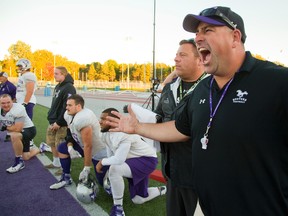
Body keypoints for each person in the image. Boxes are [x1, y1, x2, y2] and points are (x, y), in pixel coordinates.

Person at [106, 6, 288, 216]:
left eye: (208, 30)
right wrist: (138, 127)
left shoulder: (276, 82)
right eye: (197, 32)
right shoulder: (203, 88)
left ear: (235, 37)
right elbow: (179, 128)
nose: (198, 38)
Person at [154, 38, 206, 216]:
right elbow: (159, 116)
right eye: (176, 55)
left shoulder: (210, 89)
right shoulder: (169, 88)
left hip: (198, 178)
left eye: (182, 55)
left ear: (199, 59)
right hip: (171, 172)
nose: (176, 59)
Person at [96, 108, 166, 216]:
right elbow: (111, 155)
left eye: (103, 119)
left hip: (146, 160)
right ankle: (163, 189)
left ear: (114, 121)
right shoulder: (106, 133)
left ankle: (118, 209)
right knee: (138, 199)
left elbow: (119, 159)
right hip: (132, 160)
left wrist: (102, 162)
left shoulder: (124, 134)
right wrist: (108, 170)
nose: (99, 121)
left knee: (115, 169)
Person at [49, 94, 108, 190]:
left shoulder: (83, 118)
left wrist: (86, 168)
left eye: (69, 105)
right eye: (66, 105)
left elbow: (88, 145)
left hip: (99, 151)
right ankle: (66, 178)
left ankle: (112, 174)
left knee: (105, 184)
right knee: (62, 148)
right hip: (83, 145)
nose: (66, 107)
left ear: (79, 106)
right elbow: (70, 131)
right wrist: (70, 147)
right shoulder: (68, 115)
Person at [42, 66, 76, 176]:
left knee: (61, 145)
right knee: (52, 143)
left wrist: (59, 122)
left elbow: (66, 107)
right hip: (53, 120)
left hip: (62, 123)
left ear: (63, 74)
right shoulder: (58, 86)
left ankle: (65, 167)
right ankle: (56, 163)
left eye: (56, 73)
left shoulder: (69, 88)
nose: (54, 75)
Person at [0, 94, 38, 173]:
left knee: (14, 135)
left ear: (12, 101)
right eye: (3, 103)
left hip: (28, 130)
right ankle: (41, 149)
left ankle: (19, 162)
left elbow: (18, 128)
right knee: (26, 157)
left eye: (8, 102)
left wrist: (4, 128)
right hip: (18, 131)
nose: (6, 105)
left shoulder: (18, 109)